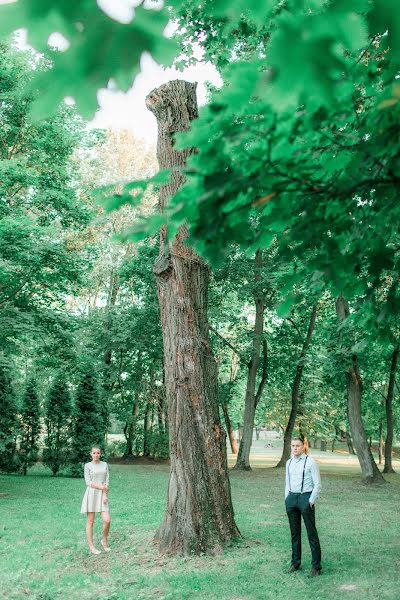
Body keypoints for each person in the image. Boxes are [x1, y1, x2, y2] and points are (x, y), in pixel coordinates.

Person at [285, 435, 322, 576]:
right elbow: (287, 482)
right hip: (291, 498)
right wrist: (286, 499)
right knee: (294, 533)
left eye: (298, 446)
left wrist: (310, 501)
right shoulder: (289, 462)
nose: (295, 448)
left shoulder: (310, 462)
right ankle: (295, 563)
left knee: (311, 533)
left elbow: (317, 484)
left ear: (303, 446)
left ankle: (316, 566)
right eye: (293, 446)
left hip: (305, 498)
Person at [80, 445, 111, 555]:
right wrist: (101, 487)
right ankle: (92, 547)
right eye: (94, 453)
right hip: (91, 494)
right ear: (91, 454)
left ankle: (104, 540)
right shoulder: (87, 466)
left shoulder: (105, 464)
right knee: (90, 521)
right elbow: (88, 482)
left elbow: (107, 481)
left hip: (102, 494)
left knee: (107, 520)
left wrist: (105, 494)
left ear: (100, 454)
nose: (96, 455)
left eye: (98, 453)